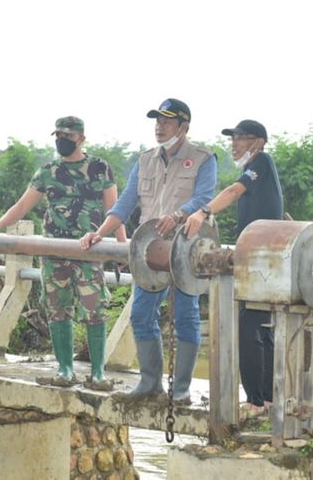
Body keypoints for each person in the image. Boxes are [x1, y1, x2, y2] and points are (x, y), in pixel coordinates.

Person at [0, 116, 126, 391]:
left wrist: (122, 247)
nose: (61, 141)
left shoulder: (99, 168)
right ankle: (65, 370)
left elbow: (115, 210)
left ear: (81, 138)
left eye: (67, 136)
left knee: (95, 309)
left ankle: (98, 374)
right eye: (58, 136)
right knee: (57, 308)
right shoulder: (47, 171)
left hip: (89, 248)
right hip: (53, 249)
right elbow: (22, 205)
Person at [81, 98, 217, 403]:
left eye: (167, 122)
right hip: (148, 251)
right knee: (142, 314)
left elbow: (206, 197)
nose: (159, 127)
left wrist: (180, 214)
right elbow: (126, 203)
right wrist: (99, 233)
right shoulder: (145, 160)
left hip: (186, 247)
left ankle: (180, 389)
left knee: (186, 316)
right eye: (157, 121)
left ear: (184, 127)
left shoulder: (203, 158)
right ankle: (150, 382)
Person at [184, 119, 283, 418]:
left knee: (251, 328)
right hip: (260, 255)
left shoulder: (261, 162)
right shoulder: (253, 167)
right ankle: (266, 399)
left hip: (262, 258)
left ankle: (256, 401)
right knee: (262, 329)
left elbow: (233, 191)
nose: (235, 143)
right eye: (233, 138)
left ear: (260, 142)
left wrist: (203, 212)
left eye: (242, 138)